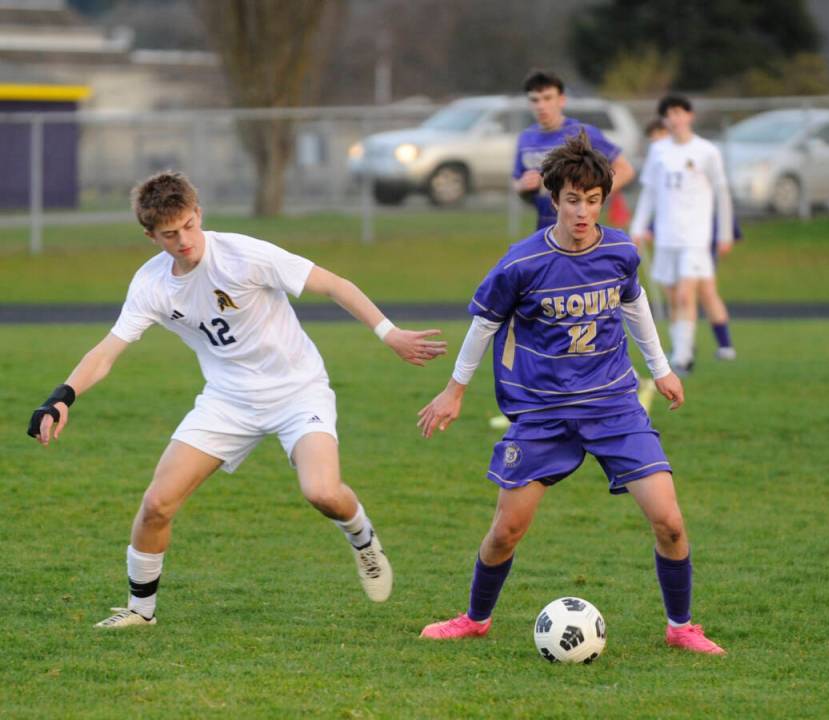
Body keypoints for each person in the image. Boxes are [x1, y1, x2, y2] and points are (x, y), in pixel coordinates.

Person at [26, 171, 447, 628]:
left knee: (322, 492)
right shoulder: (151, 285)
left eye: (189, 225)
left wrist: (389, 333)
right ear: (151, 236)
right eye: (170, 234)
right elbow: (107, 351)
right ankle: (140, 611)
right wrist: (61, 398)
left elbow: (334, 284)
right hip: (227, 401)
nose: (184, 240)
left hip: (297, 390)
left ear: (198, 213)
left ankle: (362, 539)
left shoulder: (244, 255)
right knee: (157, 504)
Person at [416, 132, 725, 655]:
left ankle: (681, 628)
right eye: (573, 200)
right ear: (555, 199)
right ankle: (474, 618)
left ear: (604, 199)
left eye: (593, 200)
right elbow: (483, 325)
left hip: (614, 407)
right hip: (543, 413)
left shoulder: (620, 250)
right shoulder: (521, 263)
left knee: (670, 523)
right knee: (505, 532)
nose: (583, 212)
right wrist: (454, 390)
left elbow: (634, 304)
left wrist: (662, 369)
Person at [630, 95, 736, 375]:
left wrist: (724, 233)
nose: (674, 119)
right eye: (668, 115)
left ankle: (683, 358)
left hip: (696, 237)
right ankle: (679, 349)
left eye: (679, 112)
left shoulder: (706, 151)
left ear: (689, 116)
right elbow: (650, 192)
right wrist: (637, 227)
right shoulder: (659, 151)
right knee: (672, 298)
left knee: (686, 296)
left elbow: (722, 193)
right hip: (667, 236)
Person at [513, 69, 635, 231]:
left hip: (580, 228)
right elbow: (517, 183)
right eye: (535, 100)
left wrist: (593, 194)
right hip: (545, 227)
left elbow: (625, 170)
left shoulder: (582, 132)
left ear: (561, 100)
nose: (541, 106)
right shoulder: (525, 138)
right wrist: (523, 186)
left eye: (547, 98)